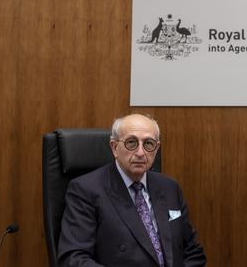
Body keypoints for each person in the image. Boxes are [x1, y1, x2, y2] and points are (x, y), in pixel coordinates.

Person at [58, 113, 207, 267]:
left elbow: (193, 252)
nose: (141, 153)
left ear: (157, 149)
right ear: (114, 147)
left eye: (148, 144)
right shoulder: (85, 190)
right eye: (131, 143)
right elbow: (74, 259)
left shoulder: (169, 187)